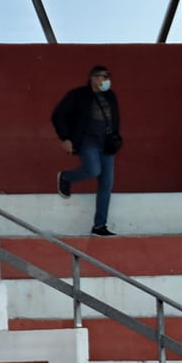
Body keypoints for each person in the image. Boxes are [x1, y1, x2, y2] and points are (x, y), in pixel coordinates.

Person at [52, 64, 122, 237]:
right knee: (93, 170)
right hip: (88, 141)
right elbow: (58, 114)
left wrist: (115, 137)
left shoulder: (110, 96)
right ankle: (66, 177)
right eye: (103, 76)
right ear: (93, 78)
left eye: (108, 77)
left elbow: (114, 119)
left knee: (106, 184)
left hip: (107, 144)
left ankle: (99, 226)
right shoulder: (79, 95)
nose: (106, 80)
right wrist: (65, 137)